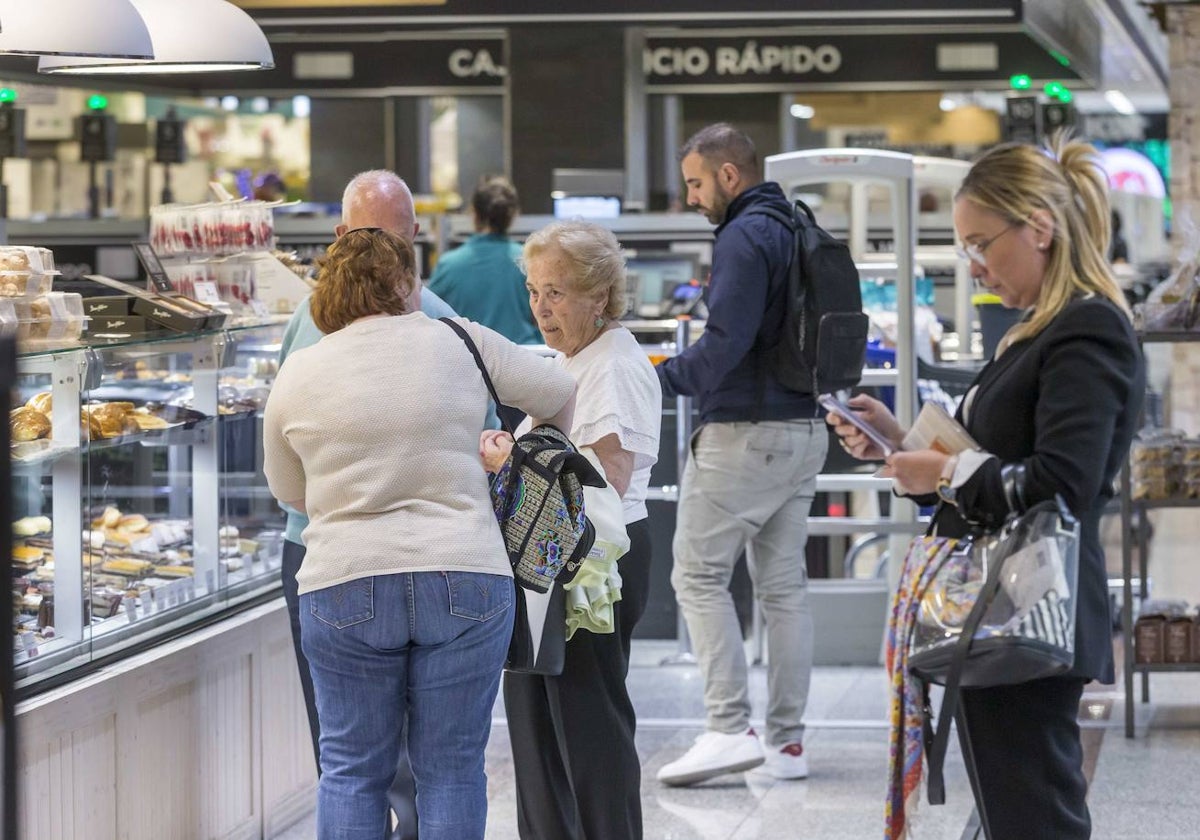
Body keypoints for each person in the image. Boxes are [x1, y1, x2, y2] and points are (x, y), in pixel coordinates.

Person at [828, 134, 1144, 839]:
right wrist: (904, 445)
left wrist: (939, 470)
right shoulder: (1036, 330)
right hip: (1000, 609)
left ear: (1039, 226)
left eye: (981, 243)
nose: (973, 264)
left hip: (1033, 610)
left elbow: (1065, 480)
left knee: (1033, 813)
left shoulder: (1086, 330)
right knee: (1013, 807)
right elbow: (994, 461)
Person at [264, 227, 576, 840]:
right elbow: (559, 391)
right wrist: (521, 457)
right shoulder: (458, 340)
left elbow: (288, 493)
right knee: (453, 771)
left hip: (343, 582)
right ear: (407, 282)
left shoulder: (298, 372)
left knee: (352, 771)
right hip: (465, 574)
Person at [277, 169, 477, 840]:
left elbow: (281, 473)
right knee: (431, 764)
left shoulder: (437, 320)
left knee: (359, 766)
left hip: (330, 556)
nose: (377, 257)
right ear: (338, 238)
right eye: (367, 238)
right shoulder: (442, 324)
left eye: (386, 239)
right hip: (426, 563)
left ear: (414, 240)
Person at [654, 123, 829, 786]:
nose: (692, 196)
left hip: (744, 434)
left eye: (697, 182)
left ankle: (728, 728)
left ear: (730, 176)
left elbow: (723, 345)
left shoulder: (742, 237)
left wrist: (657, 377)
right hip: (806, 430)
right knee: (783, 588)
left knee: (697, 578)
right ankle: (788, 744)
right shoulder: (797, 225)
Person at [498, 220, 661, 839]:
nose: (541, 308)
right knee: (538, 732)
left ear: (599, 294)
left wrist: (511, 463)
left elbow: (606, 483)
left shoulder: (614, 364)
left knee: (590, 734)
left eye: (557, 293)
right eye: (536, 291)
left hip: (594, 566)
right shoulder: (568, 360)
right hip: (547, 562)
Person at [427, 175, 541, 344]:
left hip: (470, 364)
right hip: (525, 358)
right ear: (513, 216)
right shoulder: (529, 260)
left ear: (473, 213)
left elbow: (429, 317)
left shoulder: (448, 265)